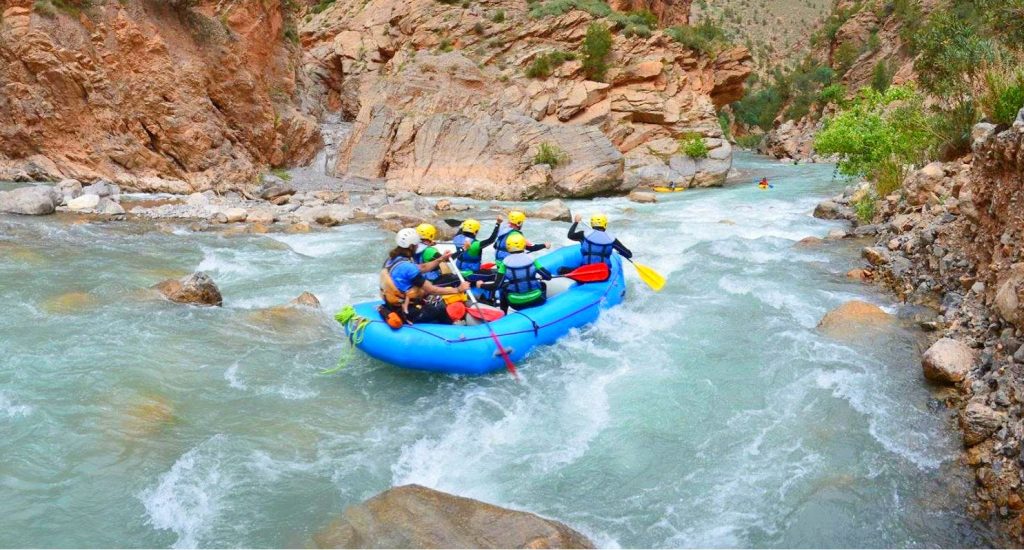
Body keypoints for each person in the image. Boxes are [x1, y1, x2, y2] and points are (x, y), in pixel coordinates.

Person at [381, 228, 470, 325]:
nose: (417, 246)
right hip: (406, 311)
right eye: (416, 245)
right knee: (439, 307)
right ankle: (452, 330)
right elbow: (432, 289)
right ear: (411, 246)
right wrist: (458, 290)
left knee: (431, 299)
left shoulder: (392, 259)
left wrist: (440, 259)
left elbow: (422, 267)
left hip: (392, 304)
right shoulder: (408, 267)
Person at [475, 234, 552, 313]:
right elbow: (548, 276)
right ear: (523, 245)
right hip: (537, 300)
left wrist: (481, 285)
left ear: (508, 247)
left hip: (516, 304)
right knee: (542, 284)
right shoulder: (532, 260)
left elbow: (496, 286)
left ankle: (503, 313)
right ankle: (544, 309)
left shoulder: (504, 264)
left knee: (503, 288)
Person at [566, 213, 632, 267]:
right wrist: (620, 252)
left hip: (585, 269)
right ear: (605, 224)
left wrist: (576, 222)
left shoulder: (583, 234)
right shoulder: (611, 239)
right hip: (603, 273)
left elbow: (570, 235)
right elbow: (628, 254)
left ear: (592, 224)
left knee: (562, 269)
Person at [413, 223, 460, 287]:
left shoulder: (413, 246)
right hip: (431, 280)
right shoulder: (429, 251)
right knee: (457, 279)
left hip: (419, 278)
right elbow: (447, 259)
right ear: (431, 235)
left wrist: (429, 243)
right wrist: (463, 249)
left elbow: (423, 245)